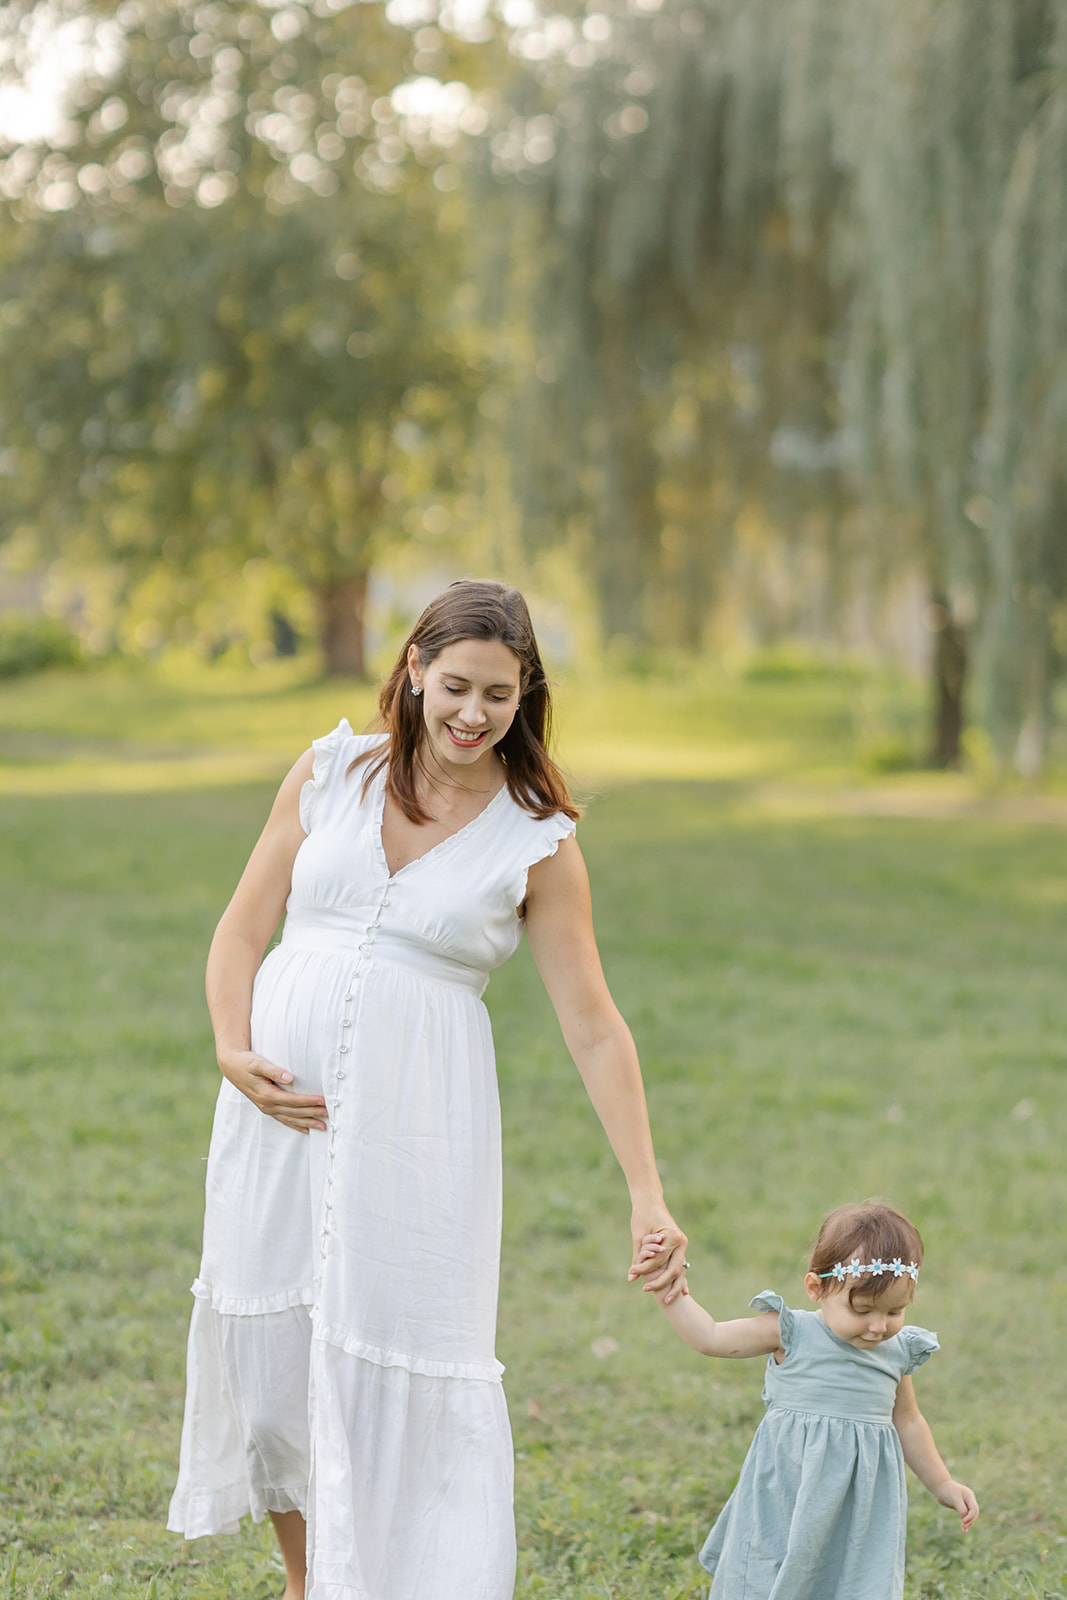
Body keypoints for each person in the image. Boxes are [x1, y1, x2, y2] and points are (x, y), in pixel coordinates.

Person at [167, 579, 688, 1600]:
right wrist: (232, 1044)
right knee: (273, 1361)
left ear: (523, 694)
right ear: (411, 670)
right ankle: (307, 1581)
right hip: (276, 1119)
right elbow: (240, 928)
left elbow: (591, 1024)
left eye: (498, 694)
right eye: (454, 685)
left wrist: (646, 1189)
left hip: (419, 1127)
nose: (471, 713)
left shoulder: (536, 838)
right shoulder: (329, 773)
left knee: (394, 1348)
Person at [638, 1199, 978, 1599]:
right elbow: (710, 1337)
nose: (877, 1326)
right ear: (816, 1288)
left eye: (895, 1311)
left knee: (850, 1579)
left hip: (859, 1505)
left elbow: (907, 1421)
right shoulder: (792, 1332)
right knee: (766, 1570)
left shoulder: (896, 1350)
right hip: (785, 1492)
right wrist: (668, 1285)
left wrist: (942, 1482)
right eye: (863, 1309)